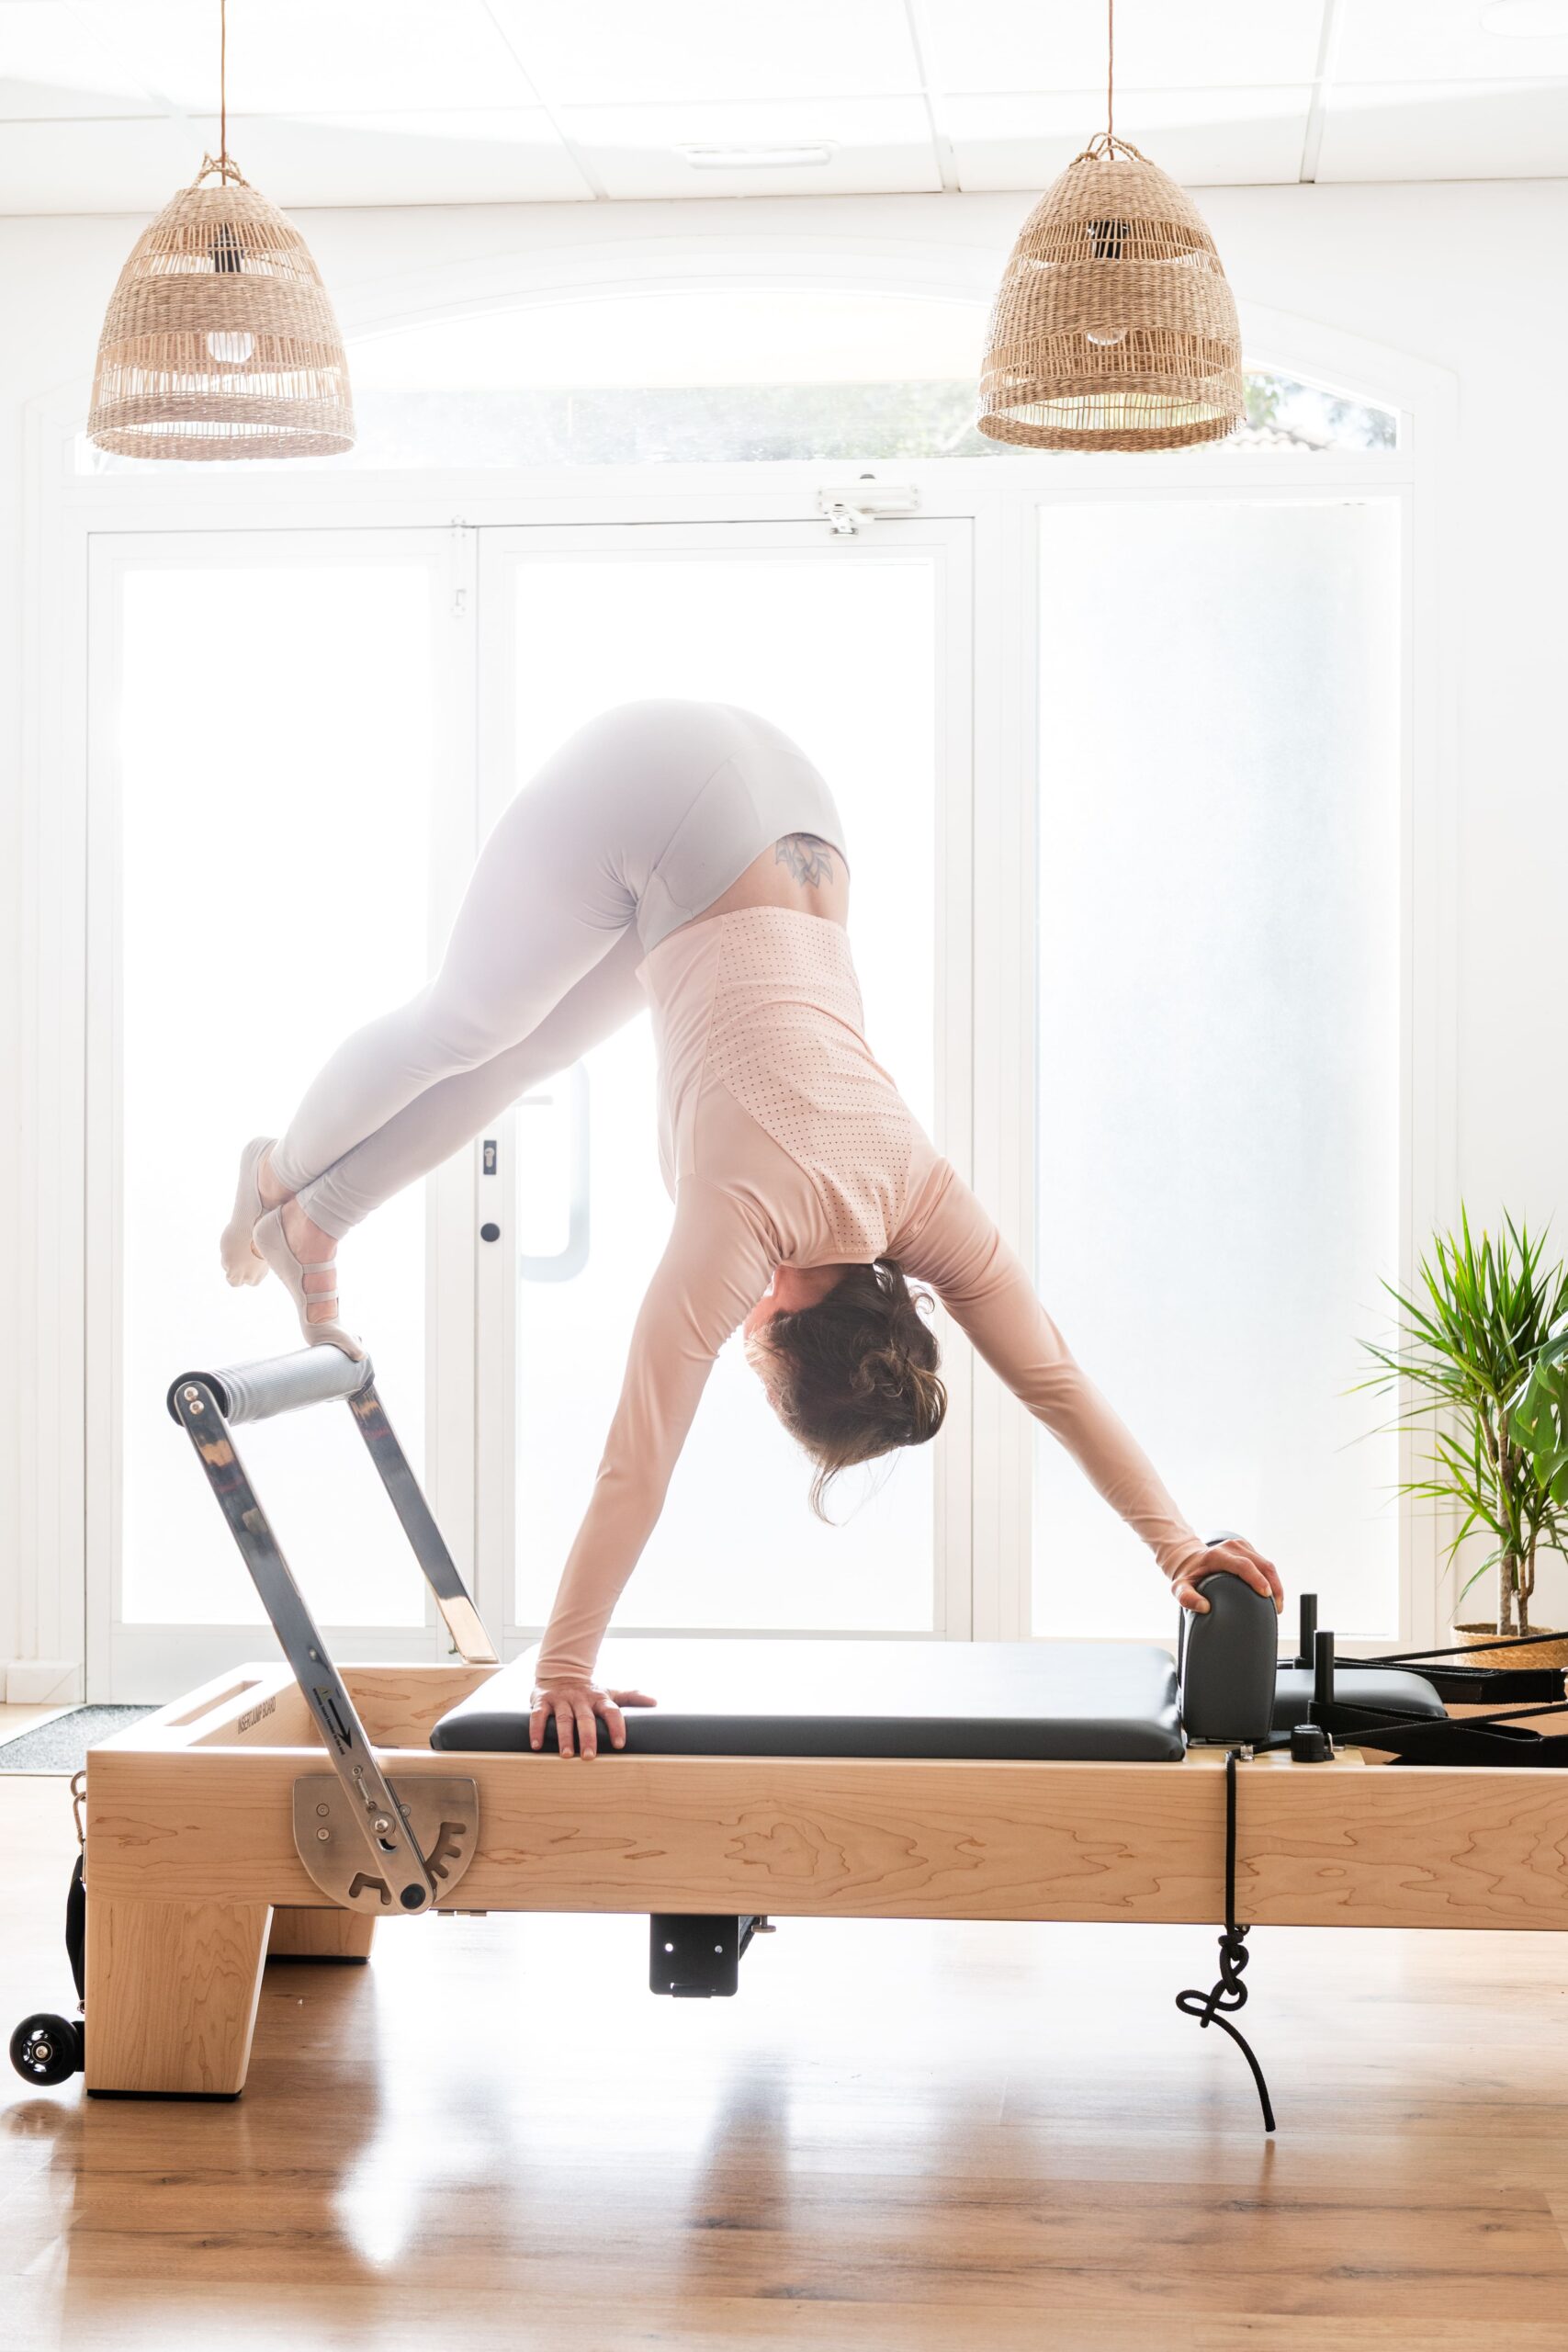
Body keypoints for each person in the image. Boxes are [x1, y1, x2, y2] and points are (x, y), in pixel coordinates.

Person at [220, 699, 1281, 1755]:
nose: (742, 1341)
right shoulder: (743, 1223)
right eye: (762, 1364)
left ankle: (315, 1223)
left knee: (522, 1053)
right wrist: (565, 1669)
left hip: (784, 814)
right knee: (469, 1020)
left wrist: (1179, 1547)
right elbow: (635, 1467)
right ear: (780, 1326)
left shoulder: (916, 1199)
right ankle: (274, 1170)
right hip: (662, 786)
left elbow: (1054, 1379)